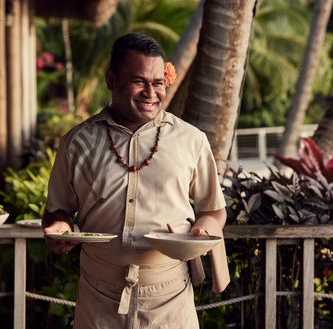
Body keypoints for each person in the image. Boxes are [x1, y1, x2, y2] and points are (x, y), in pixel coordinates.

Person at [43, 32, 229, 329]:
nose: (151, 92)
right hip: (98, 296)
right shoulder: (77, 143)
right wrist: (60, 230)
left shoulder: (191, 140)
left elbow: (214, 210)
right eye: (139, 81)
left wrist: (202, 230)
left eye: (158, 83)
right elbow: (58, 210)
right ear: (111, 79)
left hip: (170, 297)